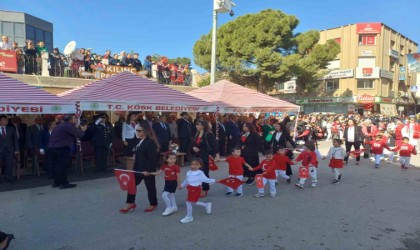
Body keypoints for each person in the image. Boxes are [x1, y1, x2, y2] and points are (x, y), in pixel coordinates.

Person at [119, 123, 159, 213]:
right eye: (136, 130)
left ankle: (153, 203)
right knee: (131, 185)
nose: (137, 132)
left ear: (145, 131)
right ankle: (130, 203)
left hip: (147, 169)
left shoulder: (150, 142)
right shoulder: (138, 141)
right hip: (137, 168)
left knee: (150, 187)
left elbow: (152, 158)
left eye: (139, 130)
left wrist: (148, 170)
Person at [48, 114, 87, 189]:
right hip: (61, 147)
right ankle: (64, 183)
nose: (76, 119)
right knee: (63, 165)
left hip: (53, 148)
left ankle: (57, 182)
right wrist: (83, 130)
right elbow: (79, 134)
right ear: (70, 120)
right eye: (75, 118)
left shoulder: (61, 125)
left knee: (57, 166)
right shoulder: (68, 126)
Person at [179, 158, 214, 224]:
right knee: (194, 202)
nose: (194, 166)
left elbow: (206, 180)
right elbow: (186, 180)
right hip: (190, 188)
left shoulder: (200, 173)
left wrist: (214, 180)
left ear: (200, 166)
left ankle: (189, 217)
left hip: (195, 189)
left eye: (196, 164)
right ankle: (206, 205)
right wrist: (182, 185)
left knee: (188, 202)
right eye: (193, 164)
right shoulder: (189, 172)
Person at [192, 120, 220, 197]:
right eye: (196, 125)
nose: (196, 126)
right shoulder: (197, 133)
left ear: (203, 126)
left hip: (205, 155)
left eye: (198, 125)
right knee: (197, 172)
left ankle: (205, 188)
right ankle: (202, 186)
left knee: (204, 172)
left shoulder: (208, 134)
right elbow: (194, 143)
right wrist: (194, 147)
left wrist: (217, 154)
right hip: (198, 156)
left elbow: (214, 145)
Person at [0, 115, 19, 182]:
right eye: (4, 120)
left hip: (9, 149)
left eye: (7, 120)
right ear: (0, 121)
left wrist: (16, 149)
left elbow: (15, 140)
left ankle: (8, 177)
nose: (7, 121)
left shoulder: (11, 128)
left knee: (9, 164)